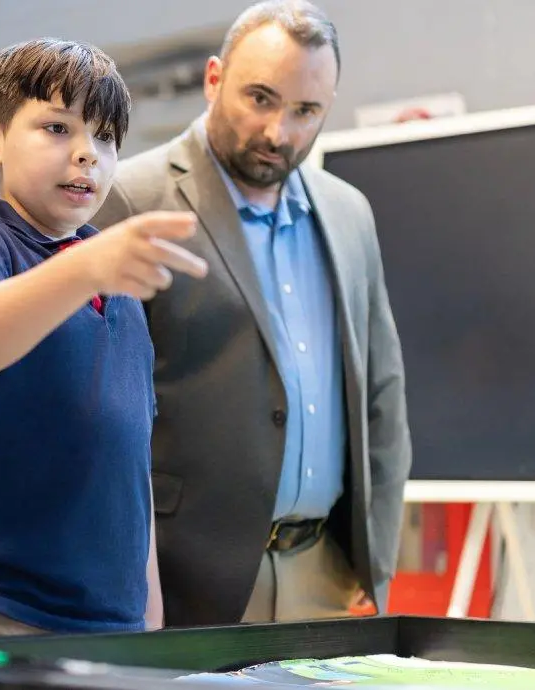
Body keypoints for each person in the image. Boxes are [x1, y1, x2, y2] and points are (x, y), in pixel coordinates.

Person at [91, 0, 412, 627]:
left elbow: (382, 393)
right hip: (178, 578)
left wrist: (376, 561)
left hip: (325, 575)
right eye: (260, 99)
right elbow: (96, 416)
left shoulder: (349, 213)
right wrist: (132, 584)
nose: (278, 132)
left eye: (305, 111)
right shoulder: (132, 197)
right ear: (215, 80)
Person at [0, 37, 207, 641]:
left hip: (112, 623)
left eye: (105, 138)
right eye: (58, 128)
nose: (87, 154)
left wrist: (148, 609)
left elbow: (130, 457)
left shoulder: (122, 289)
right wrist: (87, 267)